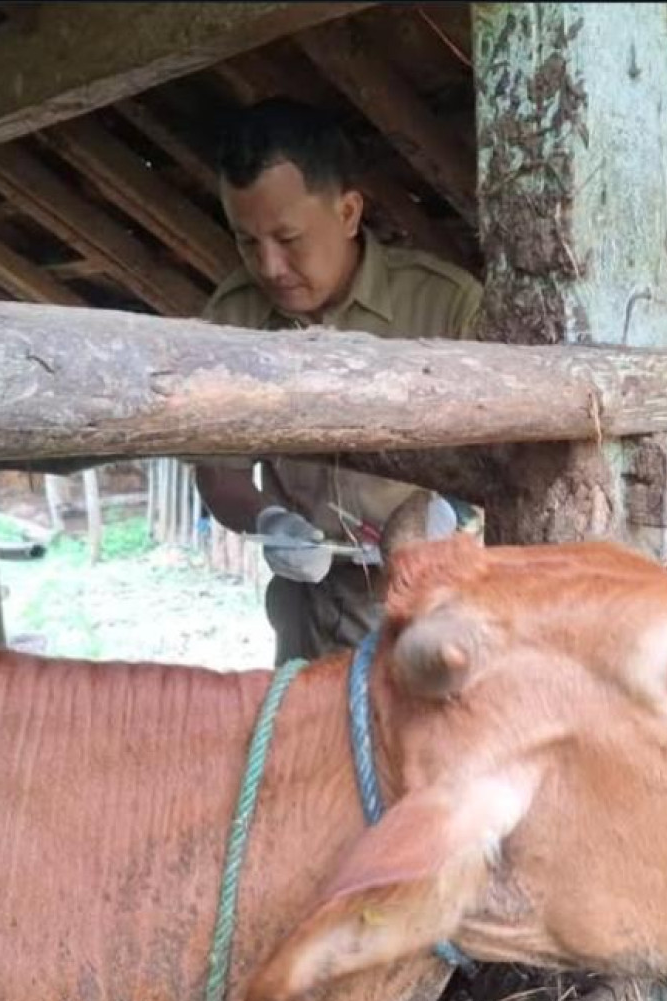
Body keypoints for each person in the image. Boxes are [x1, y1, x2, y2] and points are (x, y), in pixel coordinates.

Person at [194, 99, 483, 665]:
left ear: (349, 212)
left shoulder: (445, 307)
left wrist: (445, 512)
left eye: (289, 238)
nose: (270, 266)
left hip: (434, 604)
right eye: (247, 242)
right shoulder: (232, 319)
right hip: (307, 609)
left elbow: (512, 464)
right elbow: (219, 472)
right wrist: (267, 520)